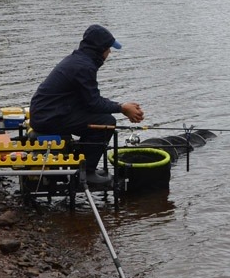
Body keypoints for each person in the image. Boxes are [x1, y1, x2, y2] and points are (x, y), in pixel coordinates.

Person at [29, 25, 144, 188]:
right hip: (48, 118)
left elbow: (88, 101)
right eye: (108, 49)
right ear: (100, 49)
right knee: (106, 123)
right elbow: (94, 103)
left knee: (100, 120)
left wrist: (121, 106)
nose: (109, 53)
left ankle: (81, 166)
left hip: (48, 113)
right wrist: (122, 107)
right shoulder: (84, 66)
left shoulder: (79, 60)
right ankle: (86, 173)